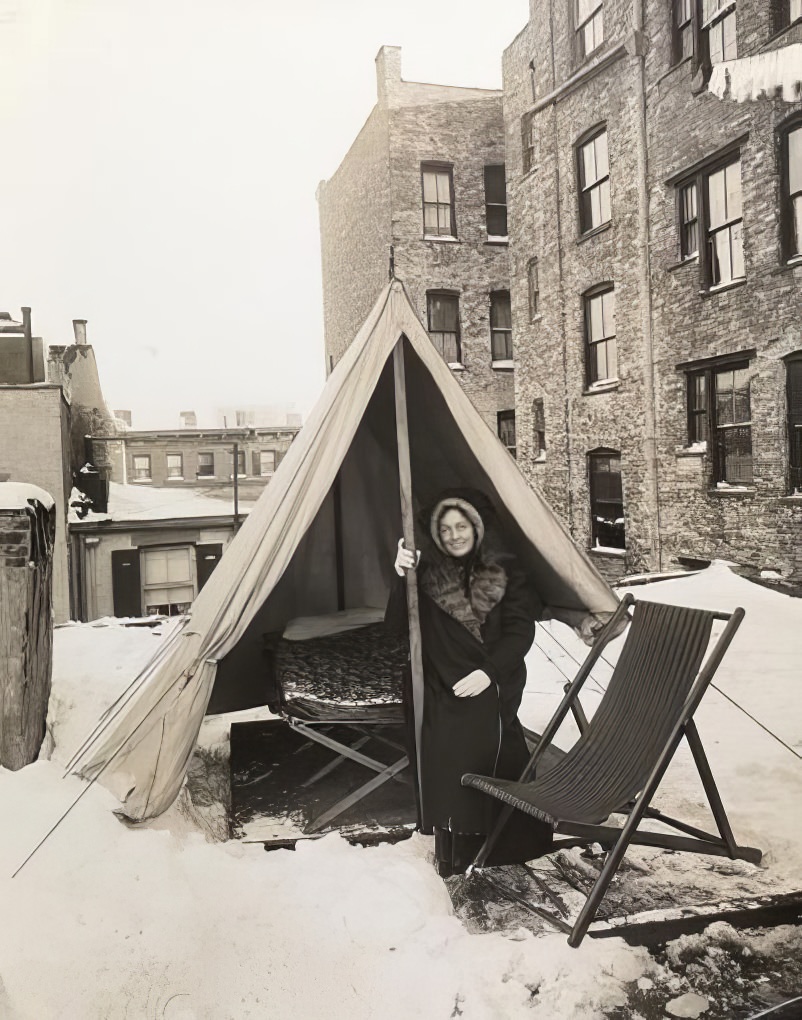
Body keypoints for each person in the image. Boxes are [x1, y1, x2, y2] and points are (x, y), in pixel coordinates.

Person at [387, 488, 552, 876]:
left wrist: (488, 674)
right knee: (436, 735)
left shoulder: (506, 571)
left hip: (491, 678)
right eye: (444, 530)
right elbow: (396, 628)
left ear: (476, 529)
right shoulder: (425, 573)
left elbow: (519, 634)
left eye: (461, 526)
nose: (454, 535)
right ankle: (451, 838)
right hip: (438, 678)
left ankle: (496, 842)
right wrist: (399, 576)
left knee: (479, 737)